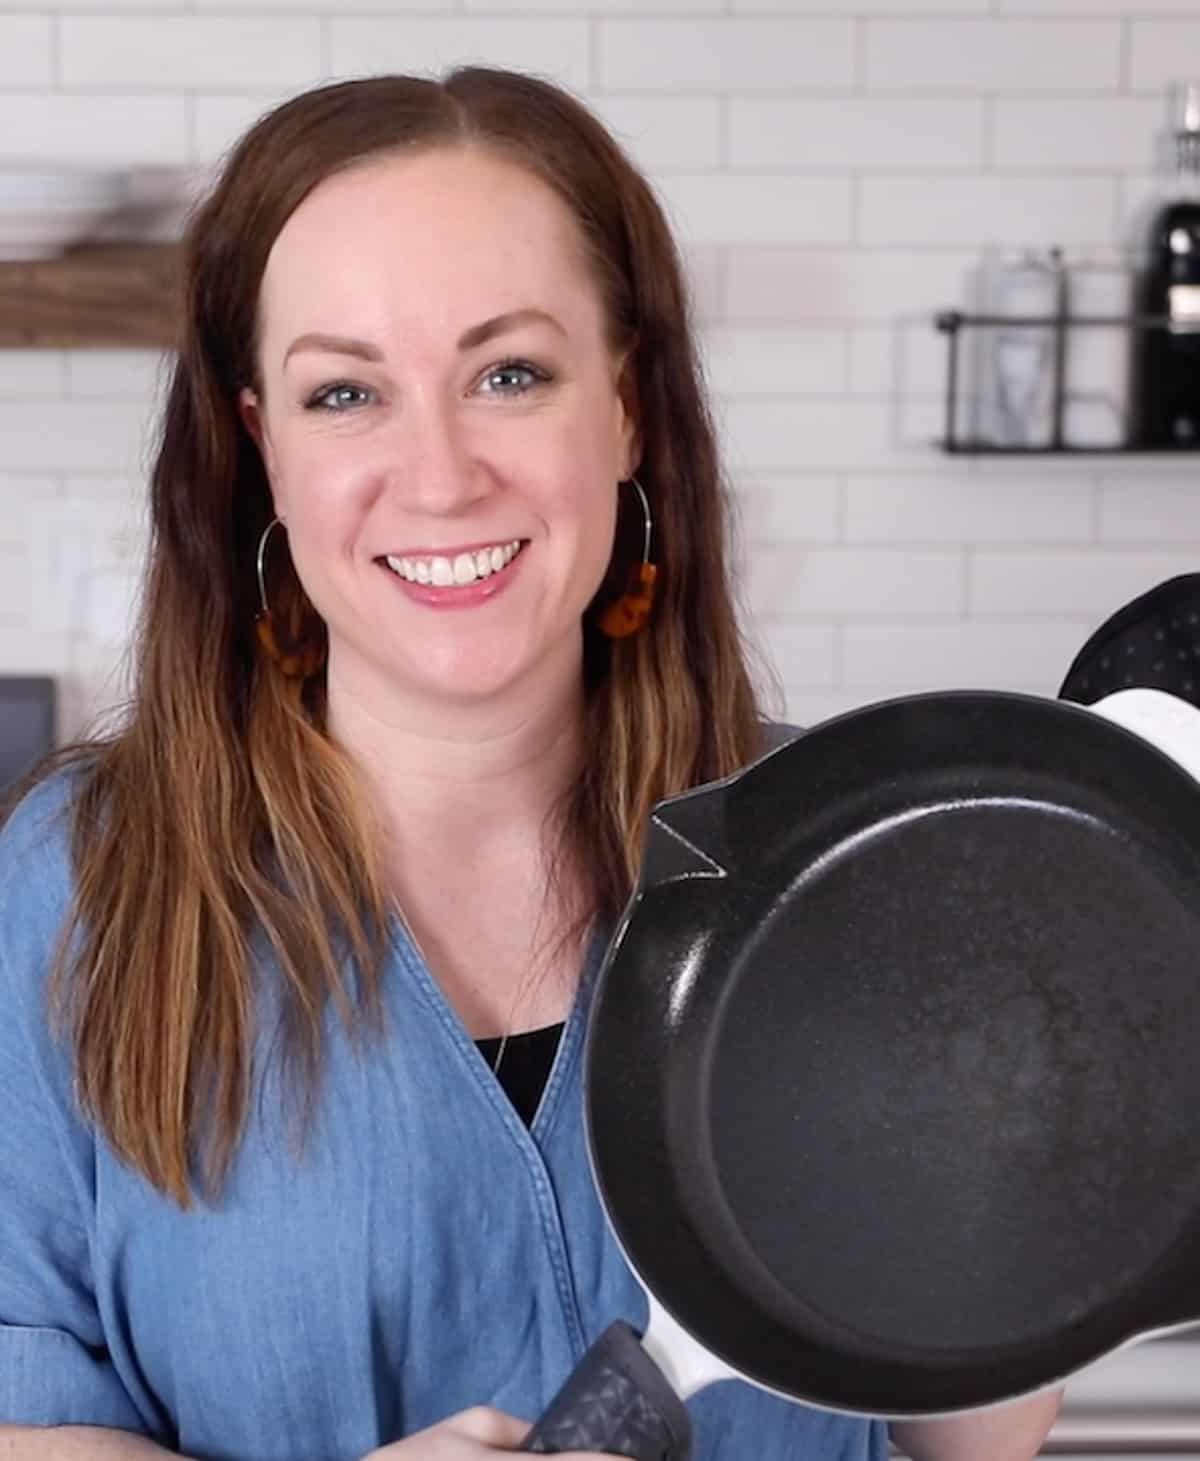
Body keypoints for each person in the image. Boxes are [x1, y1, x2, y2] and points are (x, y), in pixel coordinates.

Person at [0, 70, 1061, 1461]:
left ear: (623, 407)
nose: (438, 476)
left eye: (510, 373)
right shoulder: (78, 883)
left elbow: (972, 1435)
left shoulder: (841, 864)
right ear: (263, 446)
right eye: (345, 391)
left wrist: (1065, 1085)